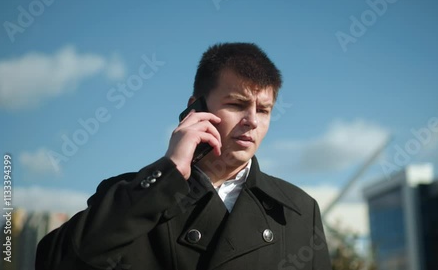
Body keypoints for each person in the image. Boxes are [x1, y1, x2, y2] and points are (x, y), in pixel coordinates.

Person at [35, 42, 331, 270]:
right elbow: (56, 261)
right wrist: (170, 171)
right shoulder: (131, 196)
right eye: (237, 104)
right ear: (196, 108)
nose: (252, 120)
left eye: (263, 110)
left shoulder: (299, 211)